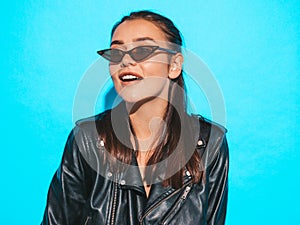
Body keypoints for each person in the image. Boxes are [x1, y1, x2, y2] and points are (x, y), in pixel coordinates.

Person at [41, 10, 229, 225]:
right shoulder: (87, 139)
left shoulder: (208, 142)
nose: (125, 61)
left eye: (142, 50)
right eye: (116, 52)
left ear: (174, 65)